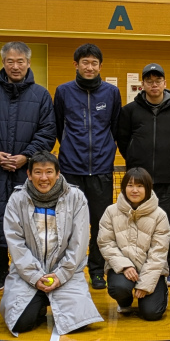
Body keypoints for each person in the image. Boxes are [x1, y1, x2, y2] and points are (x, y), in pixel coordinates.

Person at [0, 42, 57, 291]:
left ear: (28, 63)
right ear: (3, 63)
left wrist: (26, 156)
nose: (15, 66)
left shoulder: (42, 95)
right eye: (10, 61)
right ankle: (0, 271)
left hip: (28, 173)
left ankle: (29, 270)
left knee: (30, 222)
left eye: (20, 61)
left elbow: (47, 133)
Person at [0, 151, 102, 336]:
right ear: (29, 174)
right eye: (38, 172)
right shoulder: (17, 199)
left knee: (78, 324)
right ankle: (39, 302)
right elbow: (15, 243)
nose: (44, 178)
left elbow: (79, 243)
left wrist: (60, 275)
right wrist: (35, 276)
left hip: (66, 273)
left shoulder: (76, 197)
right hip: (27, 273)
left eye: (49, 172)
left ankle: (52, 297)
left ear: (58, 173)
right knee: (21, 323)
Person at [54, 43, 121, 289]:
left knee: (100, 224)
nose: (89, 67)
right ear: (76, 64)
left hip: (102, 170)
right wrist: (71, 150)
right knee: (69, 224)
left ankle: (96, 270)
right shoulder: (63, 92)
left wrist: (106, 152)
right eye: (85, 62)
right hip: (71, 170)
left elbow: (115, 127)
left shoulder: (112, 93)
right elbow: (58, 127)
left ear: (100, 66)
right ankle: (69, 270)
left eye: (94, 63)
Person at [116, 63, 170, 285]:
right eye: (149, 81)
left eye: (158, 81)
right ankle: (136, 267)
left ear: (165, 83)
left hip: (168, 180)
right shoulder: (129, 111)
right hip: (138, 183)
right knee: (136, 227)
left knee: (165, 227)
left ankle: (165, 270)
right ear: (143, 84)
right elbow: (123, 141)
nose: (154, 84)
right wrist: (135, 163)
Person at [96, 167, 170, 321]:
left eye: (139, 186)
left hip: (150, 269)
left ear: (148, 188)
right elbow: (106, 243)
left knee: (152, 313)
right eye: (130, 185)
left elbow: (158, 253)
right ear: (124, 188)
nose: (134, 190)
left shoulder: (160, 215)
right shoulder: (111, 211)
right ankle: (125, 301)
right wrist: (125, 266)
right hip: (123, 269)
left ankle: (160, 290)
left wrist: (145, 284)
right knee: (119, 288)